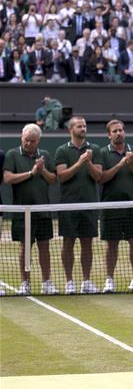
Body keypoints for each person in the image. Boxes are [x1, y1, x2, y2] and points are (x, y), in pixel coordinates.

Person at [3, 124, 57, 295]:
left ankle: (46, 282)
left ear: (38, 141)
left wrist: (42, 170)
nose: (28, 144)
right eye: (26, 140)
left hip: (43, 210)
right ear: (21, 137)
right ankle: (25, 283)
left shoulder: (45, 155)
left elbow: (53, 179)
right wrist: (31, 172)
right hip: (22, 211)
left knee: (44, 247)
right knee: (25, 248)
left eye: (32, 141)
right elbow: (8, 178)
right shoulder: (12, 154)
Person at [97, 119, 133, 293]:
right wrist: (120, 164)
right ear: (109, 134)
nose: (118, 133)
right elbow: (101, 178)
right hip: (111, 207)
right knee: (112, 245)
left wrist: (132, 164)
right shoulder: (102, 153)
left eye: (121, 130)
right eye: (114, 131)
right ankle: (109, 280)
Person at [54, 116, 102, 294]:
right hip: (68, 205)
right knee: (68, 243)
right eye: (80, 126)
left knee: (87, 244)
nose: (83, 129)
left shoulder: (94, 149)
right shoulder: (61, 150)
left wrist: (88, 162)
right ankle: (69, 282)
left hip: (89, 205)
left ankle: (86, 281)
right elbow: (62, 176)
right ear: (70, 129)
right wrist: (80, 162)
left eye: (85, 126)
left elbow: (98, 176)